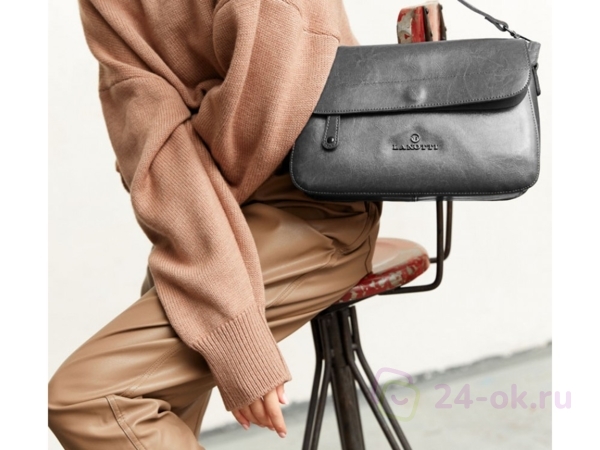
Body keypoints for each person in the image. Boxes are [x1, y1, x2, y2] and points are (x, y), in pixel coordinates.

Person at [48, 0, 382, 448]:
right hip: (208, 216)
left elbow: (277, 97)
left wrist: (188, 151)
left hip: (317, 208)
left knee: (89, 400)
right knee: (137, 395)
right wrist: (233, 337)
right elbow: (151, 147)